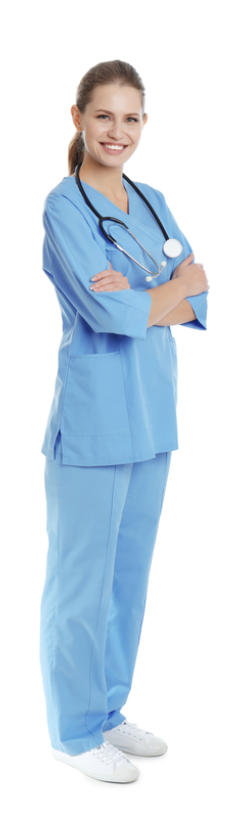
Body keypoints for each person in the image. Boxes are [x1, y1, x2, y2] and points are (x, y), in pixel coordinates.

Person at [39, 59, 209, 785]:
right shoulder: (63, 207)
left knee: (127, 580)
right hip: (94, 419)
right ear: (77, 118)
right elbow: (108, 313)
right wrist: (167, 289)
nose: (118, 131)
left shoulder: (153, 198)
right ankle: (73, 733)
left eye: (131, 117)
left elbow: (201, 292)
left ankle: (107, 710)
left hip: (151, 417)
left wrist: (165, 290)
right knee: (80, 582)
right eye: (104, 115)